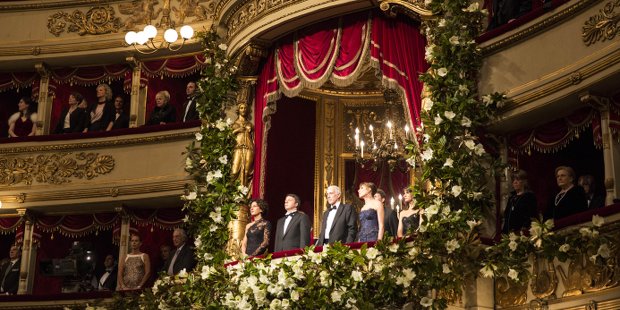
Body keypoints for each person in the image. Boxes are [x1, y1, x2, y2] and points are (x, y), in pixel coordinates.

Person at [501, 170, 538, 234]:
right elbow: (507, 217)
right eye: (513, 180)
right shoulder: (512, 198)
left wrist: (523, 230)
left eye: (517, 180)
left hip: (522, 233)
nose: (515, 182)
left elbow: (531, 216)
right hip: (509, 233)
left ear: (524, 181)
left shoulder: (529, 196)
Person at [231, 103, 254, 187]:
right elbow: (229, 137)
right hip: (238, 148)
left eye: (245, 108)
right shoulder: (234, 124)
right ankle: (233, 193)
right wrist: (237, 130)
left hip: (249, 148)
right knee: (234, 171)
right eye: (241, 108)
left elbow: (253, 138)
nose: (243, 109)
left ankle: (244, 192)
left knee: (247, 172)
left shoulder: (250, 124)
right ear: (238, 110)